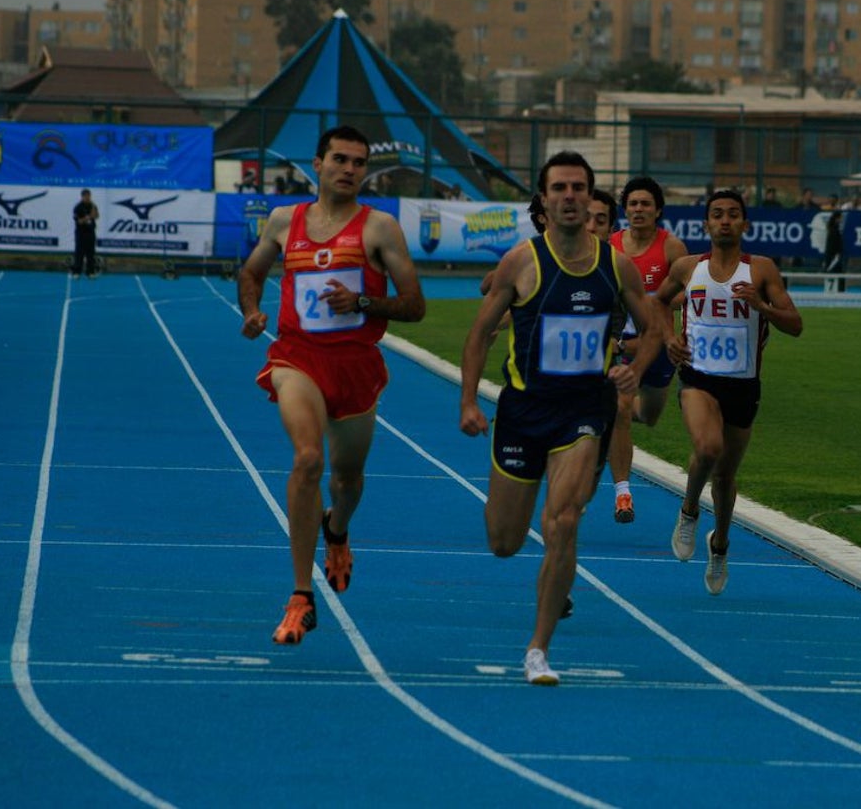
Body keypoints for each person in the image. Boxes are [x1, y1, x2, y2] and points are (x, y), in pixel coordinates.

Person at [459, 151, 656, 685]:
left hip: (584, 412)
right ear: (543, 200)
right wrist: (469, 402)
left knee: (563, 521)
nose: (571, 197)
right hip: (524, 411)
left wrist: (632, 369)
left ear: (591, 198)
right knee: (504, 542)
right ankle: (548, 576)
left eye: (579, 188)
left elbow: (654, 327)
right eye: (560, 188)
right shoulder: (521, 262)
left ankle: (538, 650)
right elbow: (479, 334)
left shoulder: (616, 266)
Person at [238, 125, 426, 645]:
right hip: (297, 358)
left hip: (355, 367)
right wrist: (253, 311)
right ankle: (301, 594)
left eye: (359, 162)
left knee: (346, 480)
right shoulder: (284, 220)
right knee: (306, 458)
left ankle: (337, 529)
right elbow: (250, 274)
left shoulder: (380, 228)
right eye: (339, 159)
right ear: (316, 164)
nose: (349, 169)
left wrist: (362, 302)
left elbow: (414, 306)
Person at [654, 188, 802, 594]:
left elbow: (795, 324)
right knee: (707, 448)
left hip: (743, 384)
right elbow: (658, 303)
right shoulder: (687, 267)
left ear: (744, 224)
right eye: (717, 214)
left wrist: (762, 306)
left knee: (726, 475)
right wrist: (669, 339)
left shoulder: (762, 270)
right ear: (706, 223)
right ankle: (688, 510)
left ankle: (719, 544)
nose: (724, 220)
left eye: (732, 214)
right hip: (698, 377)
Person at [606, 176, 688, 523]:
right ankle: (623, 493)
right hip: (620, 346)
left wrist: (656, 303)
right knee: (620, 409)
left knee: (648, 415)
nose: (638, 210)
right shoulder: (610, 246)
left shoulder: (671, 248)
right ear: (625, 209)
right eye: (633, 204)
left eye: (645, 204)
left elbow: (689, 293)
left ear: (658, 211)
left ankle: (610, 422)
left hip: (657, 346)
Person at [71, 189, 100, 279]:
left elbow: (97, 216)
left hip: (91, 232)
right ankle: (77, 272)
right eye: (86, 196)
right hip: (81, 233)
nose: (88, 198)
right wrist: (87, 217)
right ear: (82, 197)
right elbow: (79, 221)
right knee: (79, 253)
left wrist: (93, 214)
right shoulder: (78, 207)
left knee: (90, 253)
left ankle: (90, 271)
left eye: (89, 196)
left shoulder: (93, 205)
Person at [823, 209, 845, 292]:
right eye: (840, 218)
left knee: (836, 276)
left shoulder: (834, 230)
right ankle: (837, 292)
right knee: (835, 275)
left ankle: (836, 291)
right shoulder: (834, 231)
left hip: (833, 257)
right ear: (837, 219)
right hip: (834, 258)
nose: (841, 220)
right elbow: (832, 246)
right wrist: (837, 255)